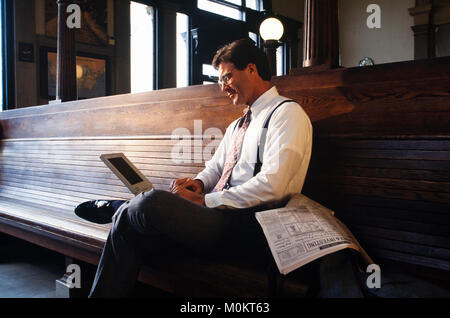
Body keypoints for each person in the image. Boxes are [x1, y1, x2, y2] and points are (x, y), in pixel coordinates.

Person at [78, 38, 313, 297]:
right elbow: (216, 167)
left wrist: (205, 201)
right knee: (130, 229)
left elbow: (274, 186)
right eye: (220, 81)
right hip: (219, 219)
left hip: (253, 228)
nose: (223, 87)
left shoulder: (287, 114)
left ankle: (118, 207)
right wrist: (198, 183)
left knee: (150, 203)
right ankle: (123, 210)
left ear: (251, 69)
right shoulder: (238, 125)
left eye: (226, 77)